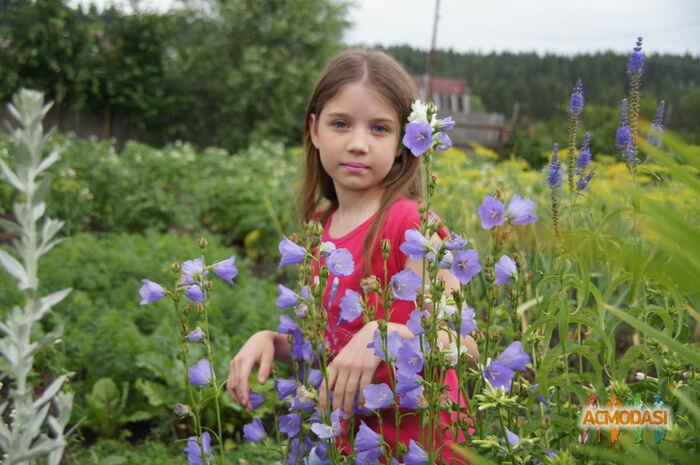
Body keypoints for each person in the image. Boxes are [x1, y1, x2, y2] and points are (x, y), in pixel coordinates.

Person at [227, 49, 478, 462]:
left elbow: (463, 344)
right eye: (341, 124)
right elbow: (331, 344)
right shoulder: (319, 228)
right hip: (345, 447)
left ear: (403, 142)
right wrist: (271, 341)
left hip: (424, 448)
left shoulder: (413, 225)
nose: (358, 144)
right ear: (314, 129)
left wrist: (385, 335)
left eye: (379, 129)